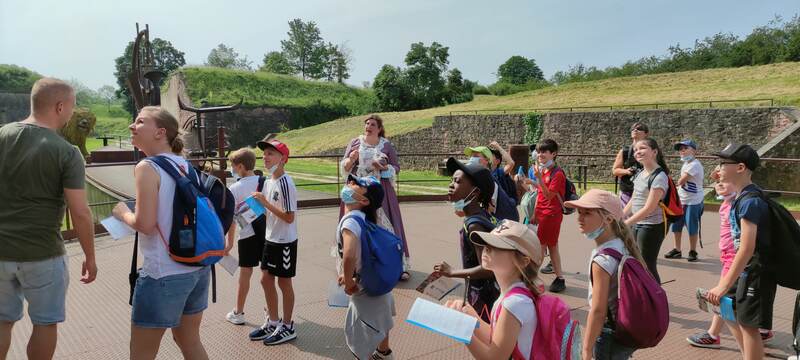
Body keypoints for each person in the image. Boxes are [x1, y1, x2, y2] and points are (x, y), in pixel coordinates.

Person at [0, 78, 97, 360]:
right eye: (72, 106)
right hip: (43, 252)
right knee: (45, 322)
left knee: (3, 320)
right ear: (59, 106)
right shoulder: (67, 152)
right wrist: (90, 257)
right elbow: (79, 211)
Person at [112, 106, 208, 360]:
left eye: (140, 122)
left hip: (162, 273)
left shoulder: (147, 167)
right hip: (198, 267)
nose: (133, 126)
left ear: (160, 132)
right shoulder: (186, 166)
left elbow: (145, 224)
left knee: (141, 353)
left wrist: (122, 212)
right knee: (190, 342)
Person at [706, 144, 776, 360]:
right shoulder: (739, 196)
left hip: (755, 271)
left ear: (740, 167)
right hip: (744, 268)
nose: (718, 168)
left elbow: (746, 247)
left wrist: (724, 283)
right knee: (726, 311)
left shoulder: (750, 201)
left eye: (723, 164)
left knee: (749, 327)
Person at [686, 180, 775, 348]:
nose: (719, 184)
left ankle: (713, 335)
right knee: (727, 297)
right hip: (727, 255)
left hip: (735, 257)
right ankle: (762, 331)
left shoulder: (741, 203)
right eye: (717, 182)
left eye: (725, 182)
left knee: (723, 298)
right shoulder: (727, 202)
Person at [445, 219, 543, 360]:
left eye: (498, 245)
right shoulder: (511, 294)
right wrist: (472, 317)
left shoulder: (515, 303)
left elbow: (494, 358)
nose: (487, 247)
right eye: (487, 242)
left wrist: (461, 330)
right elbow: (495, 338)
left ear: (523, 261)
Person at [564, 189, 644, 360]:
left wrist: (586, 349)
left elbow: (598, 311)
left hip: (608, 334)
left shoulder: (602, 259)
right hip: (624, 330)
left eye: (587, 213)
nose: (579, 218)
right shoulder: (622, 244)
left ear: (608, 219)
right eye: (579, 212)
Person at [341, 114, 410, 281]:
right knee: (357, 226)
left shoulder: (386, 145)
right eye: (367, 123)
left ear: (379, 129)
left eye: (373, 124)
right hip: (359, 191)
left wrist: (384, 168)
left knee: (387, 228)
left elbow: (396, 167)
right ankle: (355, 268)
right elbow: (345, 166)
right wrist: (351, 159)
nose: (368, 126)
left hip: (381, 191)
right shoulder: (355, 142)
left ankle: (399, 266)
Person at [336, 175, 396, 360]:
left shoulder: (351, 221)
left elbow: (349, 254)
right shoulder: (367, 219)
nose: (350, 184)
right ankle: (384, 353)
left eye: (357, 184)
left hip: (363, 288)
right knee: (381, 323)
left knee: (361, 341)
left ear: (364, 200)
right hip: (379, 284)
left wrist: (347, 281)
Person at [434, 157, 499, 322]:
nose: (451, 185)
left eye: (457, 181)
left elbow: (488, 268)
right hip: (489, 292)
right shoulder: (485, 216)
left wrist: (451, 272)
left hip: (484, 298)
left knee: (484, 338)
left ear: (475, 192)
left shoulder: (474, 226)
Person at [248, 138, 299, 345]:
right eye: (264, 153)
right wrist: (251, 209)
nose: (265, 157)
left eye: (270, 153)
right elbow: (268, 212)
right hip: (270, 238)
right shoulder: (268, 181)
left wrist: (265, 203)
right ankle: (273, 320)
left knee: (284, 282)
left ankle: (287, 326)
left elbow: (289, 217)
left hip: (284, 240)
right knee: (265, 279)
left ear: (283, 159)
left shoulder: (286, 183)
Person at [224, 147, 264, 325]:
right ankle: (270, 312)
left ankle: (238, 312)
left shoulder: (235, 188)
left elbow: (232, 219)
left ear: (240, 167)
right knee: (268, 275)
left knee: (245, 274)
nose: (232, 170)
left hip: (247, 236)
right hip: (267, 235)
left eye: (233, 166)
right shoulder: (266, 182)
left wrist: (229, 242)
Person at [623, 137, 669, 284]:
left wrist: (627, 222)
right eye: (636, 150)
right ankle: (644, 295)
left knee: (647, 264)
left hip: (651, 226)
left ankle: (656, 297)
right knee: (637, 261)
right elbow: (634, 198)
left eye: (642, 148)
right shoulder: (641, 173)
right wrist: (621, 215)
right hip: (637, 223)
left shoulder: (660, 176)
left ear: (654, 151)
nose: (638, 152)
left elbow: (650, 207)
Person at [531, 139, 567, 293]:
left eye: (544, 152)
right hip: (544, 213)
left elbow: (549, 195)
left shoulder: (557, 173)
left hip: (551, 215)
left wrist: (538, 177)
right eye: (539, 151)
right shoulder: (545, 170)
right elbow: (540, 194)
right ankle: (560, 278)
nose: (540, 154)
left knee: (540, 247)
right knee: (552, 246)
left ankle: (530, 277)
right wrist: (534, 213)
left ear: (554, 154)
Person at [664, 140, 705, 262]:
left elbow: (681, 181)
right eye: (680, 149)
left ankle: (693, 250)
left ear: (694, 150)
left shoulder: (695, 164)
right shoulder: (686, 163)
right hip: (682, 200)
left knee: (692, 227)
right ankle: (677, 249)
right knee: (676, 226)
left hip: (693, 201)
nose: (682, 151)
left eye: (685, 148)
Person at [464, 145, 519, 222]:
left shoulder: (496, 174)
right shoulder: (480, 175)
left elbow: (490, 206)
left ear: (487, 160)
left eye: (476, 156)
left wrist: (498, 147)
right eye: (472, 156)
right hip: (496, 216)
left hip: (506, 217)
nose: (472, 159)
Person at [612, 123, 649, 205]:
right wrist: (627, 171)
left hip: (644, 191)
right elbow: (615, 170)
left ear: (646, 133)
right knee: (626, 216)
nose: (635, 130)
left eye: (639, 128)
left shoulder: (651, 151)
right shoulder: (625, 151)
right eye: (633, 128)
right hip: (627, 191)